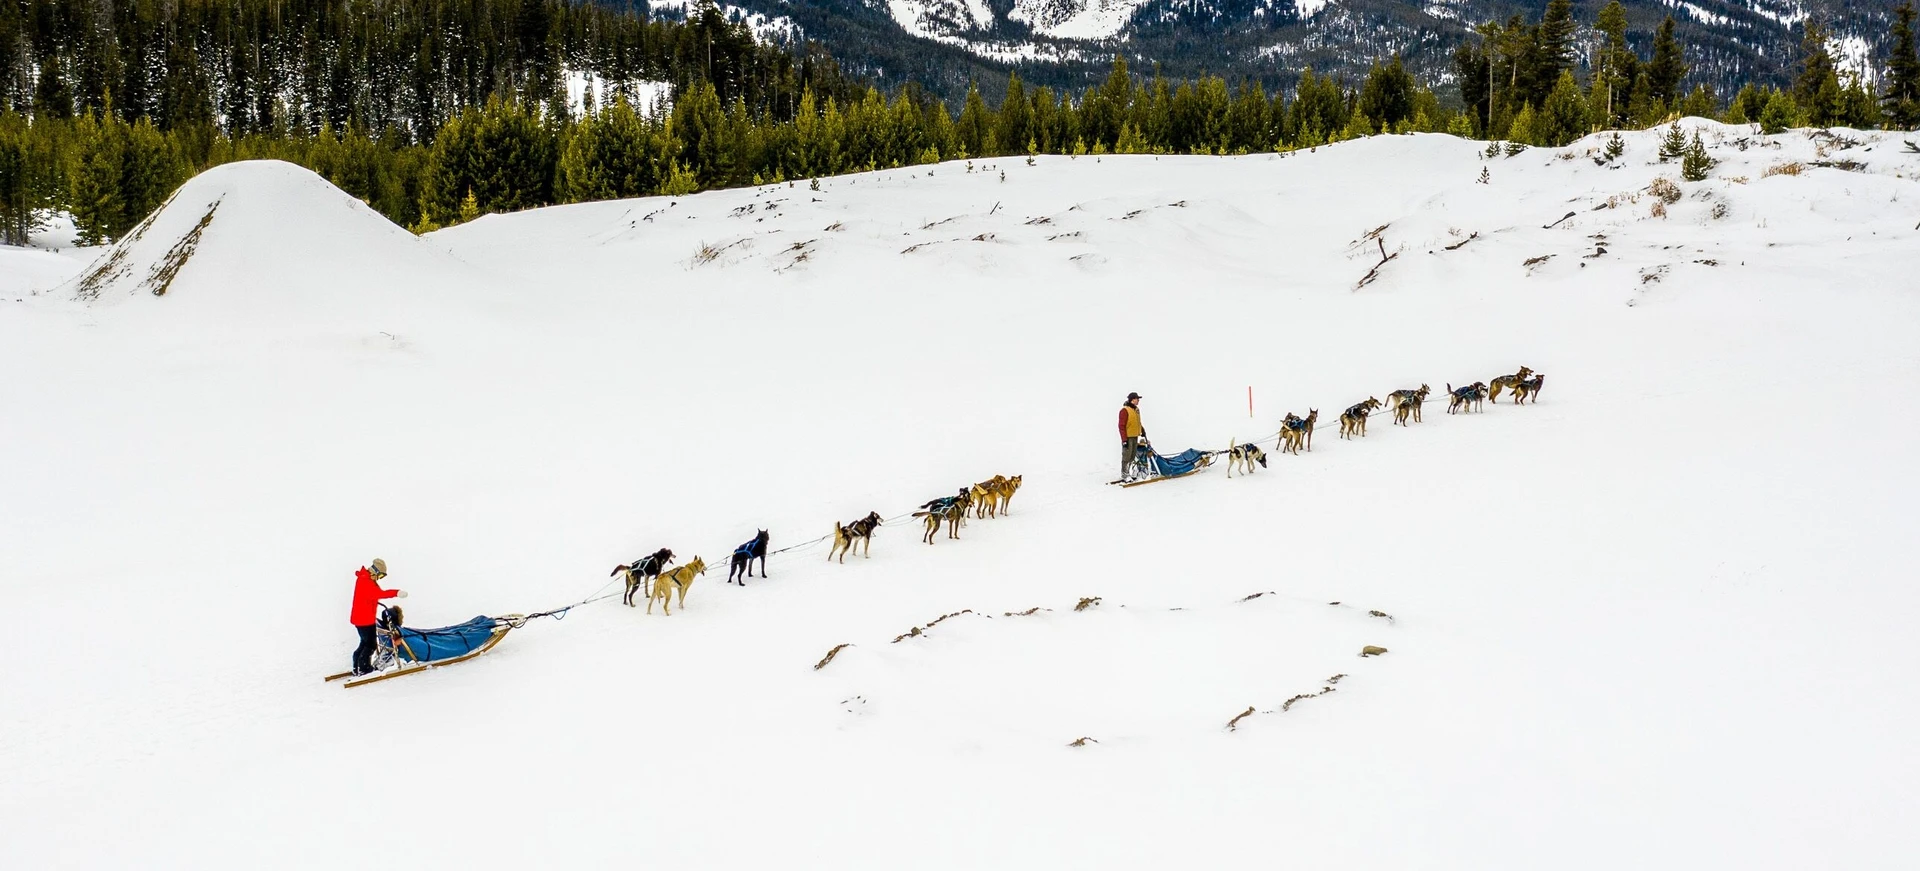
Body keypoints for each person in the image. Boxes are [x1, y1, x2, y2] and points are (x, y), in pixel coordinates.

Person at [350, 558, 407, 676]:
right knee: (370, 644)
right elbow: (380, 593)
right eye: (380, 575)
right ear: (375, 571)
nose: (379, 578)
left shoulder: (364, 579)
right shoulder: (366, 582)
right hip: (364, 620)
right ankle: (364, 668)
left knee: (364, 642)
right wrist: (397, 592)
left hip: (361, 618)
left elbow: (372, 595)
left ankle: (357, 666)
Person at [1118, 392, 1146, 480]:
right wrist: (1124, 440)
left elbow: (1138, 422)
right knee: (1127, 455)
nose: (1138, 401)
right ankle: (1124, 474)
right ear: (1132, 400)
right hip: (1128, 437)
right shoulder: (1125, 410)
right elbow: (1121, 426)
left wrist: (1142, 430)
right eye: (1137, 399)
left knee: (1132, 455)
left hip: (1135, 435)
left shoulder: (1136, 410)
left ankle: (1128, 473)